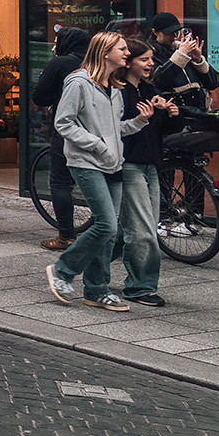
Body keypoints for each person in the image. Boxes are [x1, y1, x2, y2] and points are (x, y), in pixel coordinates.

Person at [45, 32, 154, 312]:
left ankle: (96, 290)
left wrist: (139, 122)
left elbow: (114, 129)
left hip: (112, 163)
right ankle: (62, 270)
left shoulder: (114, 87)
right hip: (86, 162)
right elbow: (64, 123)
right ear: (104, 52)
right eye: (122, 49)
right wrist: (97, 145)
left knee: (107, 231)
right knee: (106, 225)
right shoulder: (78, 82)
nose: (127, 54)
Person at [114, 42, 175, 308]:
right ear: (129, 62)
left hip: (151, 164)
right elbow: (114, 128)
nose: (150, 64)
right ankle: (140, 287)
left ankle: (82, 264)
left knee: (123, 232)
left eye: (151, 59)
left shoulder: (150, 90)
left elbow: (161, 130)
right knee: (143, 232)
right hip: (129, 164)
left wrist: (170, 114)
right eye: (144, 59)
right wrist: (142, 119)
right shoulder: (118, 91)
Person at [31, 26, 91, 251]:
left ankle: (66, 235)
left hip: (69, 129)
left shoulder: (60, 63)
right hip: (99, 129)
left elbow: (40, 95)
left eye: (57, 41)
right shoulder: (96, 63)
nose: (54, 46)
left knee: (59, 181)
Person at [149, 13, 219, 111]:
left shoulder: (183, 49)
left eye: (176, 32)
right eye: (169, 33)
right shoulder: (151, 54)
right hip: (174, 111)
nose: (174, 36)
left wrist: (198, 60)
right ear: (155, 32)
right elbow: (158, 80)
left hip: (198, 111)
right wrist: (180, 56)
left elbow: (213, 83)